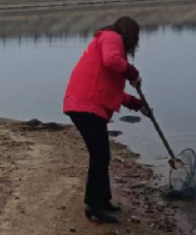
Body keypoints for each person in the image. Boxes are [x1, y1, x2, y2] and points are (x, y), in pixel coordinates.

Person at [63, 16, 152, 224]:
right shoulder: (112, 37)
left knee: (102, 155)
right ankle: (94, 206)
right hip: (85, 105)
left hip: (87, 105)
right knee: (100, 155)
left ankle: (102, 201)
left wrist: (139, 105)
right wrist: (132, 73)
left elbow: (111, 92)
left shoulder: (109, 43)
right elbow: (111, 60)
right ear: (129, 35)